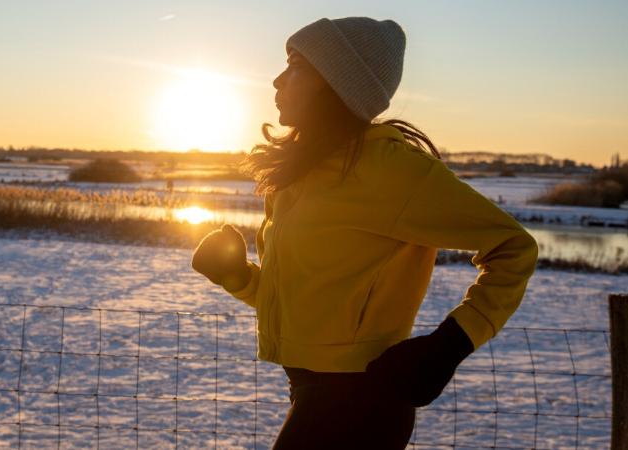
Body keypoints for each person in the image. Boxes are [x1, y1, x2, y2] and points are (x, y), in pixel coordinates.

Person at [191, 16, 539, 449]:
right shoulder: (301, 176)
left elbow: (515, 247)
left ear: (334, 82)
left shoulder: (390, 170)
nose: (277, 80)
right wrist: (237, 276)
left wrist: (450, 345)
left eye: (295, 65)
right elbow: (309, 299)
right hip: (311, 394)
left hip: (363, 402)